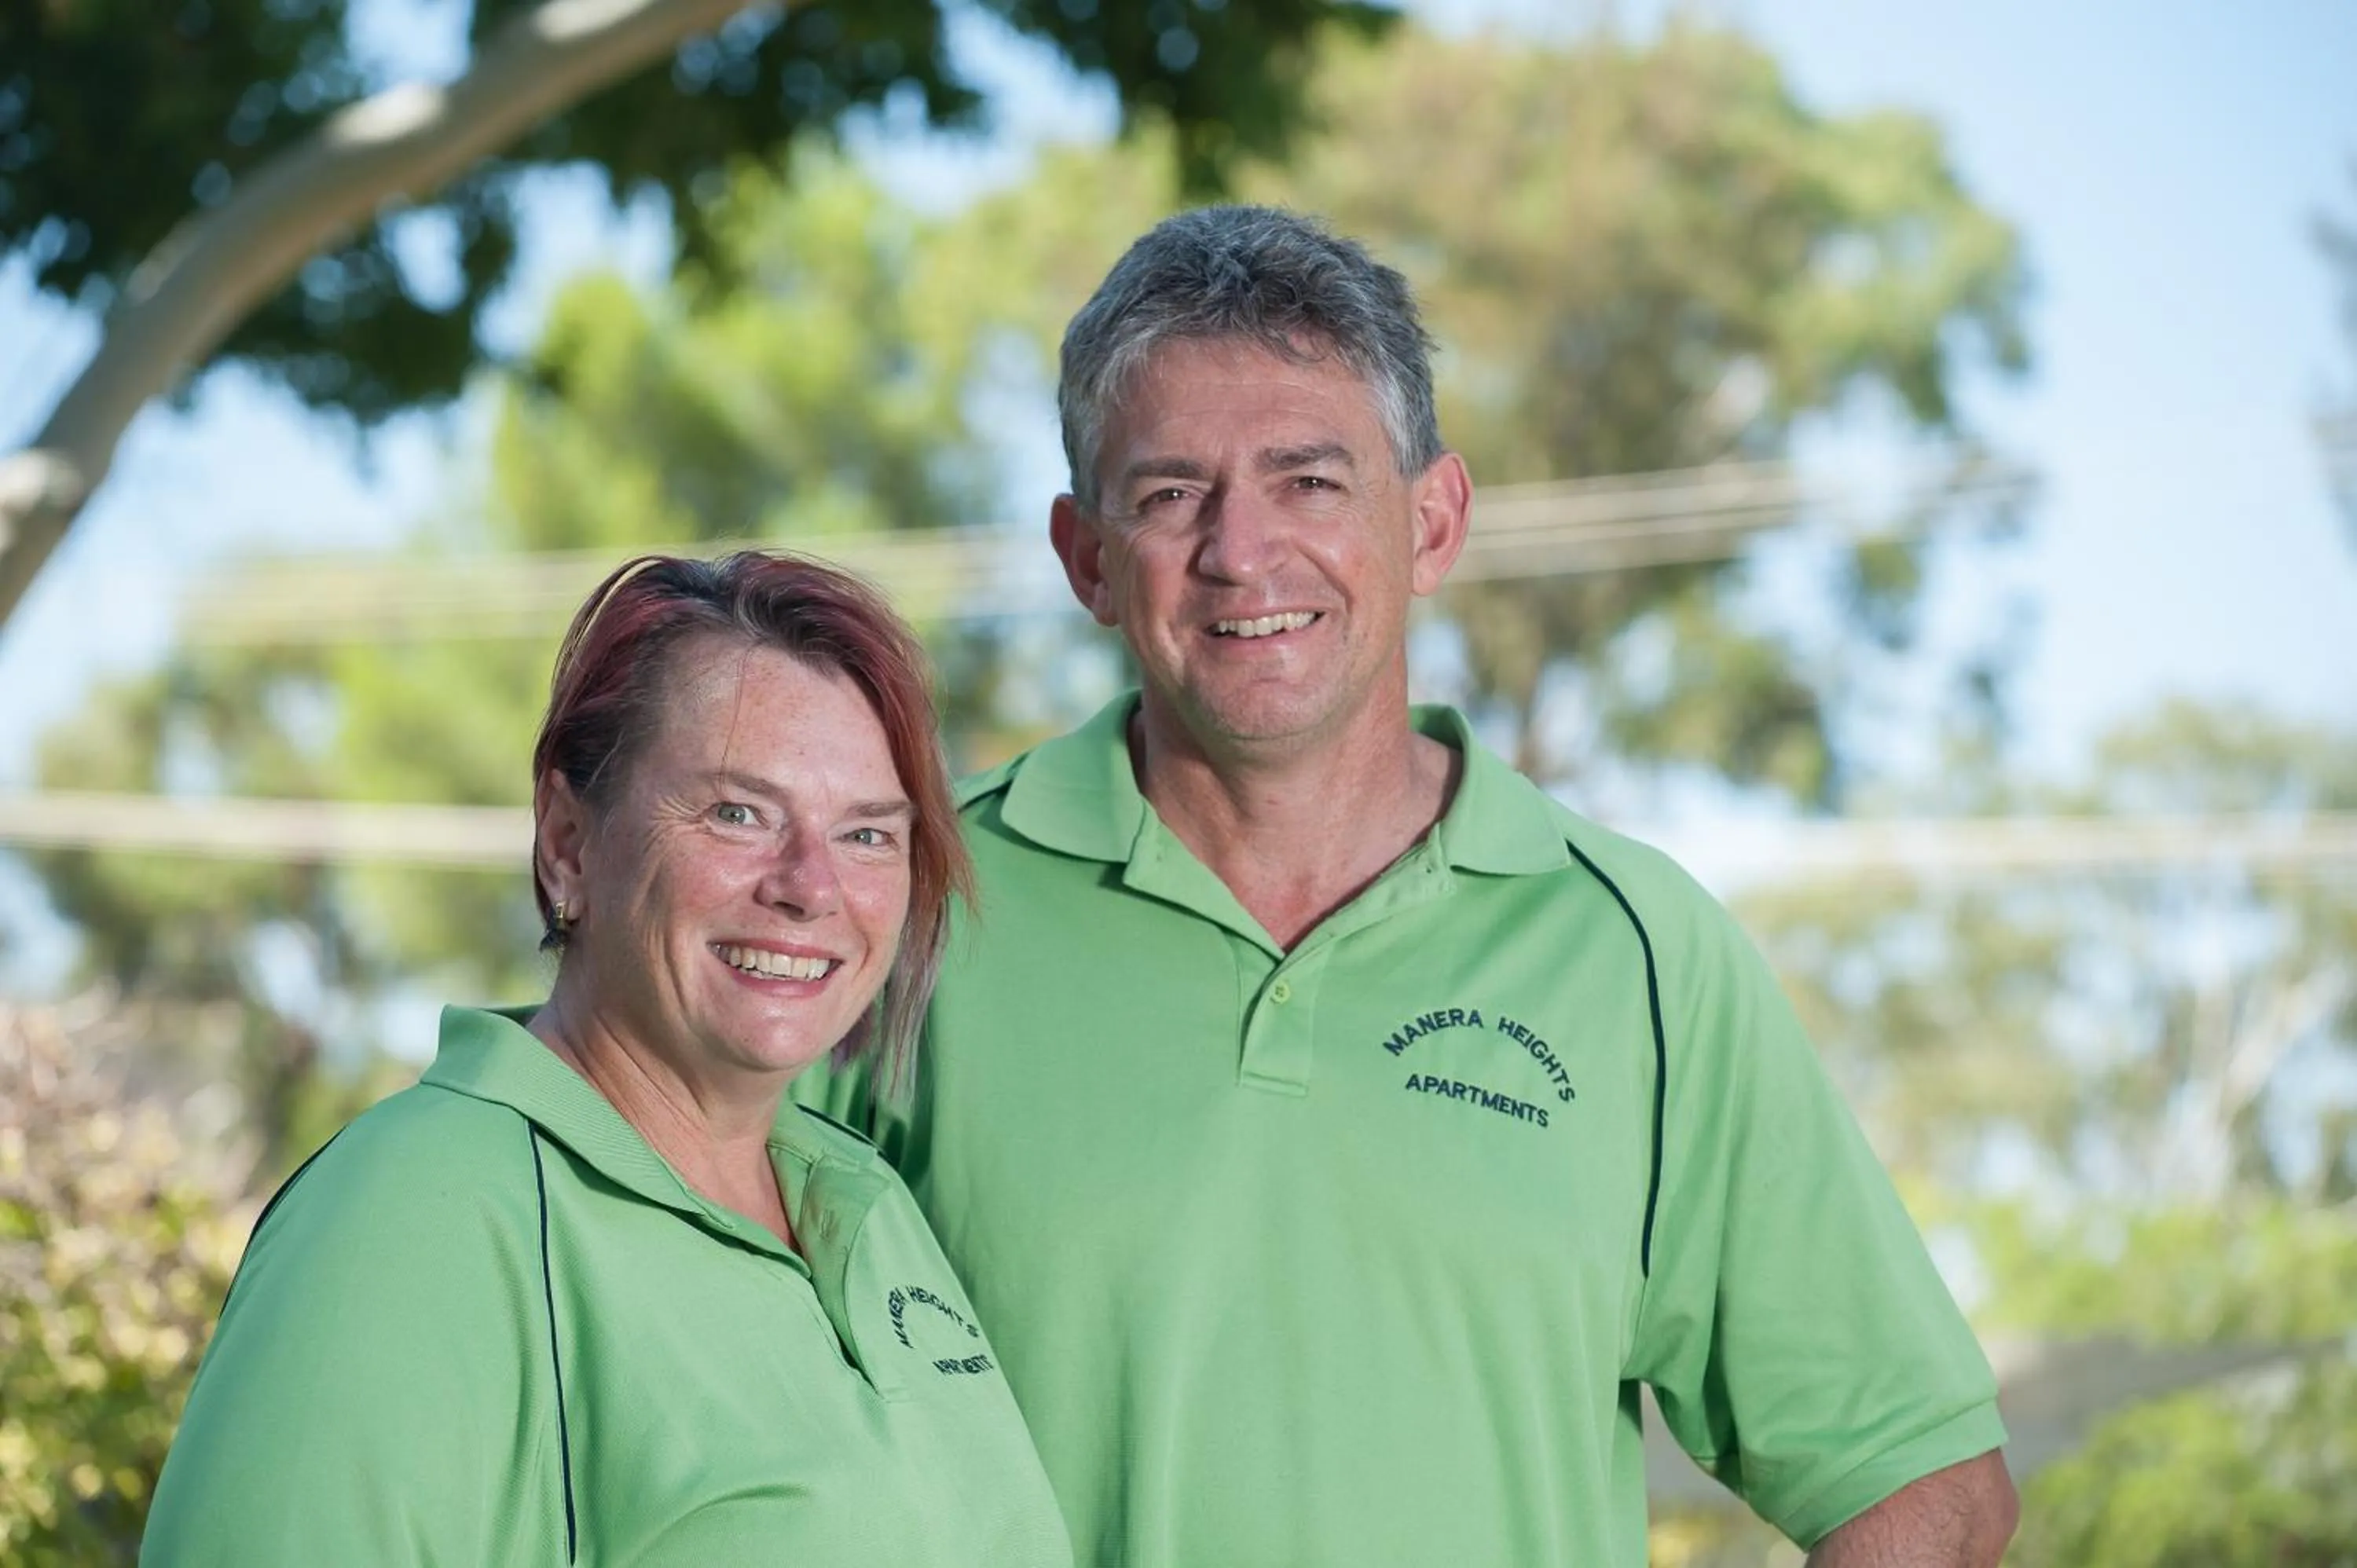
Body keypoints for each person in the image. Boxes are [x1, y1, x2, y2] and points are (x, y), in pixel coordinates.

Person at [804, 207, 2019, 1565]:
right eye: (1168, 494)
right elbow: (682, 1396)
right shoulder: (902, 911)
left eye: (1311, 480)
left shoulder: (1636, 957)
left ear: (1432, 523)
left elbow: (1923, 1486)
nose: (1240, 550)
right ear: (1086, 557)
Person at [143, 553, 1074, 1567]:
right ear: (568, 845)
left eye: (865, 833)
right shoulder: (414, 1216)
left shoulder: (869, 1204)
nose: (811, 887)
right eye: (738, 813)